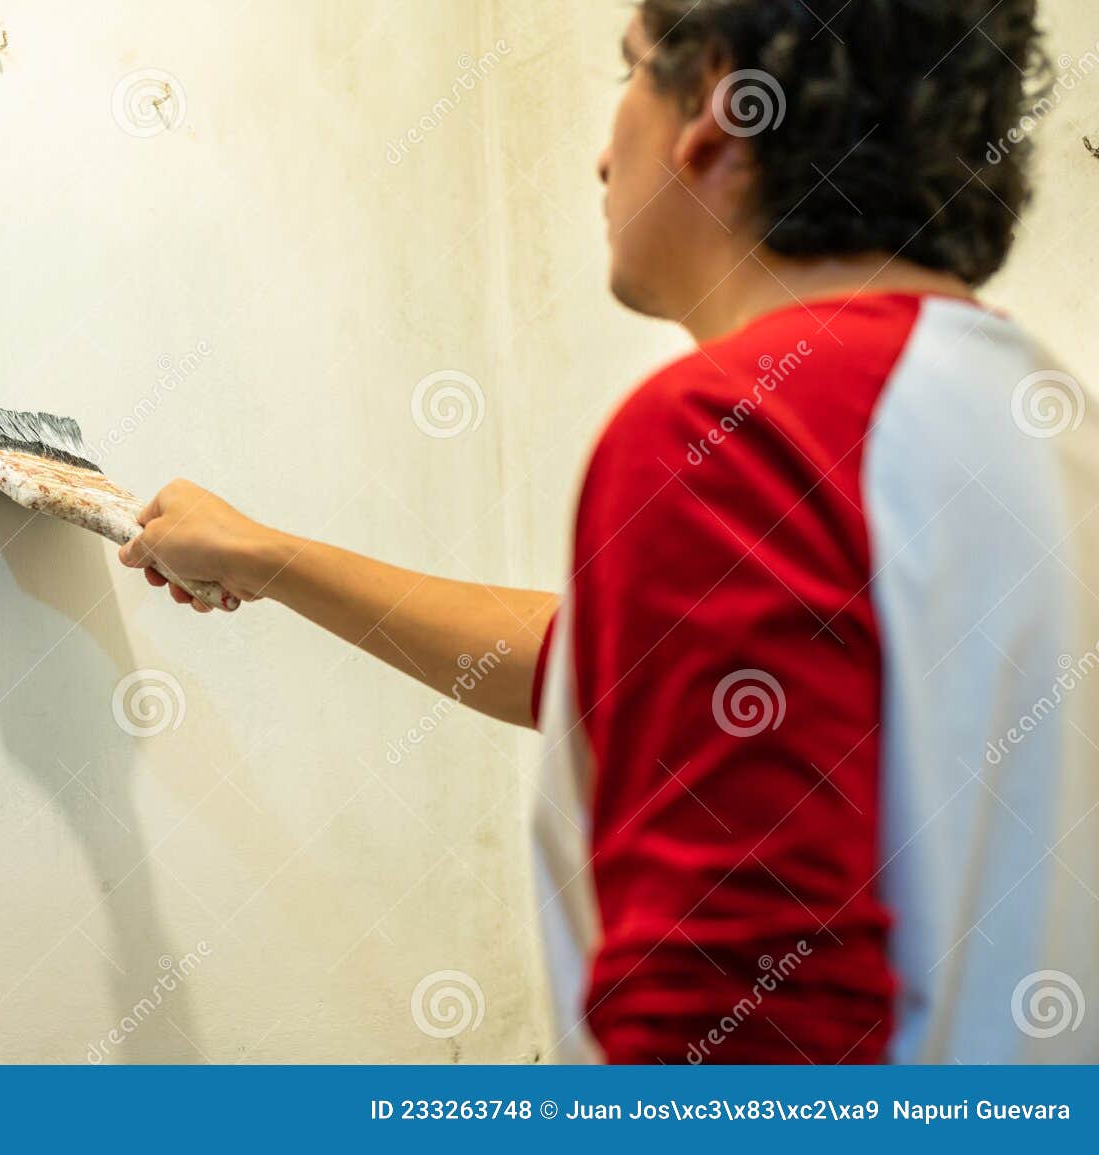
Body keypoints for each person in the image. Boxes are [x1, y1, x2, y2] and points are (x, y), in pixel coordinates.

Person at [119, 0, 1099, 1063]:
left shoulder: (733, 429)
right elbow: (613, 676)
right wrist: (269, 559)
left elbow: (735, 1041)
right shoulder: (1037, 426)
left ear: (716, 108)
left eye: (628, 73)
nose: (599, 156)